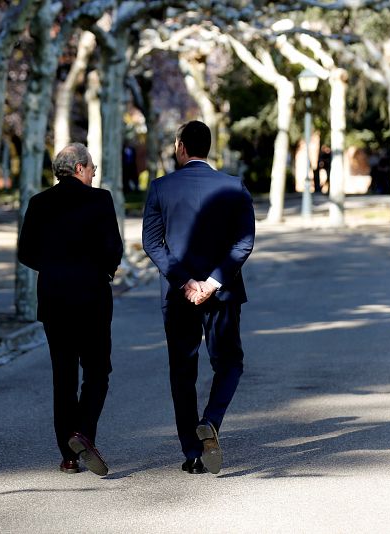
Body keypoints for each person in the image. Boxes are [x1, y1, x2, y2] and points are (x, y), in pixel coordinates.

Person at [142, 121, 255, 475]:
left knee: (182, 371)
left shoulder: (161, 187)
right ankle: (211, 421)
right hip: (222, 293)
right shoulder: (234, 186)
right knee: (229, 363)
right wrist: (212, 282)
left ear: (181, 147)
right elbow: (244, 242)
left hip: (178, 295)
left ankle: (192, 453)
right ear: (208, 147)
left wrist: (185, 281)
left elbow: (152, 243)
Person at [17, 143, 123, 476]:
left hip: (54, 298)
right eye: (92, 169)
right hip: (92, 297)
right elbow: (113, 248)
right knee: (97, 371)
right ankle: (84, 433)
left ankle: (68, 457)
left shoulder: (38, 202)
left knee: (63, 378)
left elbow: (25, 252)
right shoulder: (100, 199)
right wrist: (103, 271)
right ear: (79, 168)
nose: (93, 174)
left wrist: (53, 269)